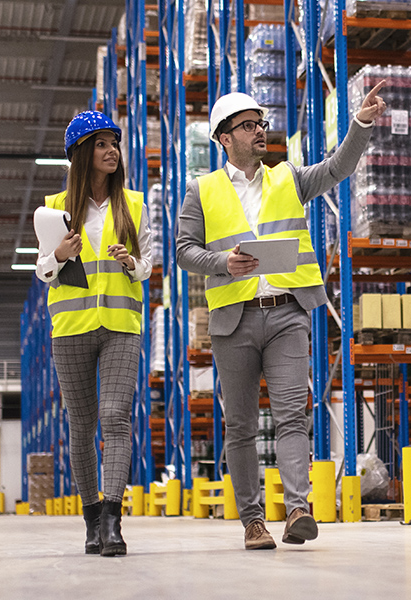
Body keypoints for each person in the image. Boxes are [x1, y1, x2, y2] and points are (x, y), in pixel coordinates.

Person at [176, 85, 389, 550]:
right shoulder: (202, 191)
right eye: (248, 125)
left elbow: (337, 168)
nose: (259, 132)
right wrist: (221, 263)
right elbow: (183, 251)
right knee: (241, 427)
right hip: (233, 321)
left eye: (261, 124)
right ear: (224, 138)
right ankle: (253, 521)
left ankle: (298, 508)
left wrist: (361, 124)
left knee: (294, 414)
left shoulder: (287, 177)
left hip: (287, 313)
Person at [34, 111, 151, 557]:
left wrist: (130, 263)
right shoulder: (54, 209)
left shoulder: (134, 205)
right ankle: (90, 518)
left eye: (114, 144)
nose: (111, 151)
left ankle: (114, 522)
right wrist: (60, 254)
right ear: (82, 153)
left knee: (116, 416)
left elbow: (146, 268)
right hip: (71, 329)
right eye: (101, 144)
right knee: (81, 427)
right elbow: (44, 272)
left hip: (122, 325)